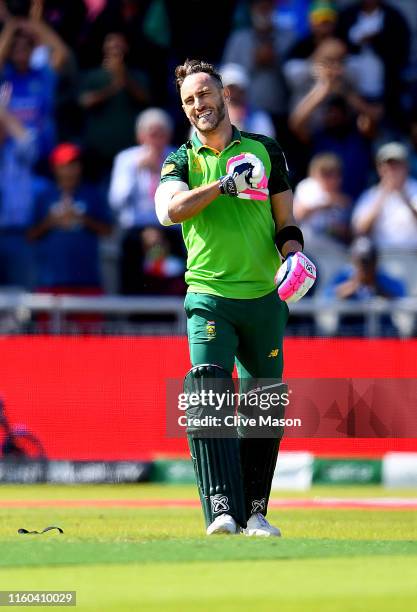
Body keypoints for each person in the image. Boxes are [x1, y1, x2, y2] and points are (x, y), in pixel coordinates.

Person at [154, 59, 316, 536]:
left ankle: (255, 512)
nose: (198, 105)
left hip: (265, 298)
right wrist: (223, 186)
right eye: (189, 100)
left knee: (265, 401)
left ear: (224, 95)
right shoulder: (180, 160)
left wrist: (294, 256)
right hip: (209, 294)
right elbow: (168, 211)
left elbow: (285, 222)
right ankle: (221, 509)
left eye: (204, 94)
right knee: (207, 386)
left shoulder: (265, 150)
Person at [108, 107, 180, 294]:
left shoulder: (178, 158)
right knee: (132, 275)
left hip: (169, 230)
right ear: (141, 136)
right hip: (135, 231)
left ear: (169, 136)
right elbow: (117, 201)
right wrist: (137, 170)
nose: (156, 140)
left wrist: (162, 172)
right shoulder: (126, 159)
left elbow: (182, 199)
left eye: (161, 134)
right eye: (151, 134)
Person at [28, 142, 113, 294]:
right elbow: (30, 235)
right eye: (64, 165)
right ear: (55, 167)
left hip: (87, 280)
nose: (70, 169)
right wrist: (51, 221)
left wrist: (82, 218)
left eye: (74, 164)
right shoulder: (44, 195)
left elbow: (107, 230)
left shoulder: (92, 194)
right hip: (50, 280)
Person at [352, 142, 417, 250]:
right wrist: (383, 195)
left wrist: (404, 195)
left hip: (414, 255)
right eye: (388, 166)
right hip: (382, 256)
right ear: (379, 169)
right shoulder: (370, 194)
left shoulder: (415, 188)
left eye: (397, 165)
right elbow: (359, 230)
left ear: (406, 167)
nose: (392, 171)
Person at [293, 152, 350, 245]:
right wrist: (325, 204)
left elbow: (347, 232)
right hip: (306, 245)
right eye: (326, 174)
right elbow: (297, 215)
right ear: (314, 173)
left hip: (331, 247)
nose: (331, 179)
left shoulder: (343, 200)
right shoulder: (307, 186)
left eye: (334, 174)